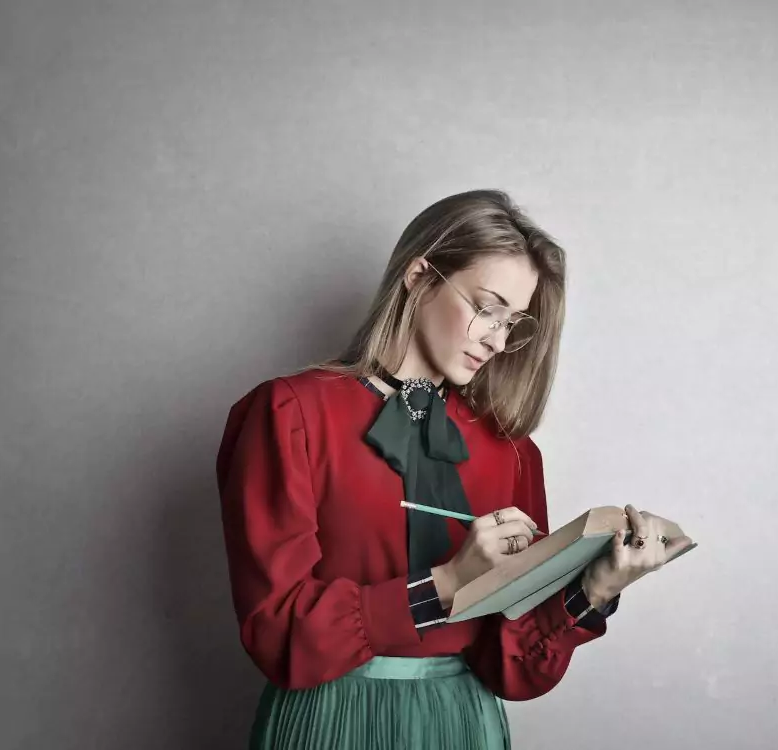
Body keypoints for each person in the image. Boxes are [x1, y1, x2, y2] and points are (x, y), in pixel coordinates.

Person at [215, 189, 693, 749]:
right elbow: (278, 635)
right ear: (420, 275)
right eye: (486, 307)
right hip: (330, 720)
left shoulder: (512, 453)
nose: (497, 339)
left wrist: (595, 587)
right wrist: (446, 583)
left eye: (514, 322)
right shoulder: (290, 414)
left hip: (463, 723)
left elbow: (510, 671)